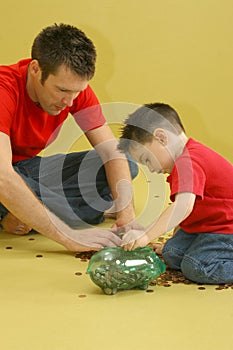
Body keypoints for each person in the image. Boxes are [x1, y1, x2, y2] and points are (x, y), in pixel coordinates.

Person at [0, 23, 138, 252]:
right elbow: (3, 177)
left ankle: (22, 210)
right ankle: (18, 210)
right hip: (4, 173)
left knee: (127, 164)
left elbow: (112, 153)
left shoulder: (74, 90)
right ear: (36, 69)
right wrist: (68, 235)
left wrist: (126, 214)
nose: (70, 102)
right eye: (62, 91)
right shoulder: (4, 89)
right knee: (11, 184)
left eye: (77, 92)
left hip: (23, 169)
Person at [118, 102, 233, 284]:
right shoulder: (183, 161)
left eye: (147, 159)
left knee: (196, 267)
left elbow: (183, 207)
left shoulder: (189, 162)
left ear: (161, 138)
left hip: (226, 230)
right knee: (171, 253)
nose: (151, 169)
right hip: (207, 227)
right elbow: (187, 212)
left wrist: (146, 235)